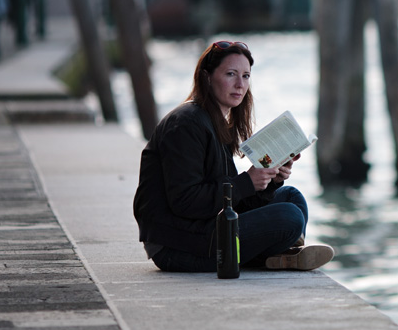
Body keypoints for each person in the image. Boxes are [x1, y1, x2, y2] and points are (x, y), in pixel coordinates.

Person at [134, 40, 334, 272]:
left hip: (204, 228)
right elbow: (185, 202)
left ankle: (279, 256)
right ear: (207, 77)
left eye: (246, 76)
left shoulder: (216, 123)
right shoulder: (186, 124)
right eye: (231, 74)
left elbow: (228, 200)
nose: (240, 84)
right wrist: (246, 182)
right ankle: (276, 255)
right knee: (289, 217)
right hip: (177, 246)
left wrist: (270, 180)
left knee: (291, 197)